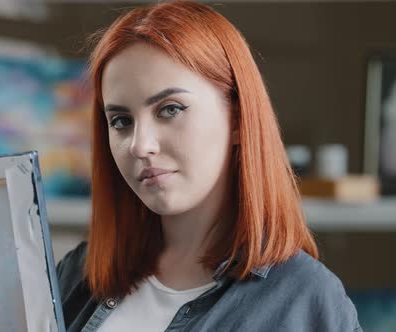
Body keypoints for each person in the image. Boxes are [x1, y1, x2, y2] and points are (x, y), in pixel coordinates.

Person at [55, 1, 362, 331]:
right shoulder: (76, 275)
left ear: (238, 118)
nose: (140, 145)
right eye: (121, 121)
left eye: (170, 110)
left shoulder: (307, 302)